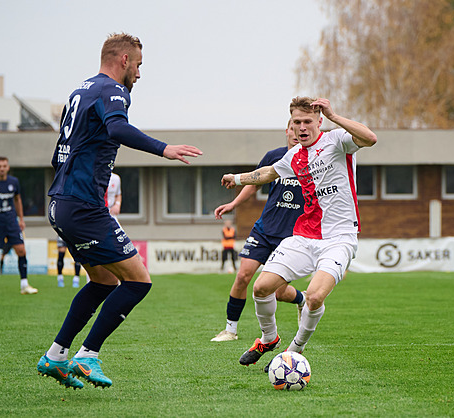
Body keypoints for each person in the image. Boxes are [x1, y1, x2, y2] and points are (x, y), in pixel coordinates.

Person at [37, 33, 202, 390]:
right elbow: (117, 127)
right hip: (83, 207)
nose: (139, 74)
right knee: (139, 280)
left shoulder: (79, 91)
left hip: (61, 203)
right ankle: (87, 355)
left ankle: (55, 355)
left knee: (104, 281)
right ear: (124, 60)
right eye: (139, 65)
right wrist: (164, 148)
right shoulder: (114, 91)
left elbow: (59, 154)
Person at [220, 96, 377, 367]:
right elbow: (269, 173)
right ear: (290, 126)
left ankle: (295, 350)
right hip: (304, 236)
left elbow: (370, 138)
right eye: (296, 123)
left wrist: (335, 116)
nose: (302, 127)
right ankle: (269, 338)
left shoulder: (338, 140)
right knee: (261, 287)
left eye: (307, 121)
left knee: (314, 297)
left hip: (339, 239)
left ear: (319, 122)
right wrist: (237, 179)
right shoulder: (294, 156)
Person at [211, 121, 306, 342]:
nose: (296, 133)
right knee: (243, 275)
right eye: (292, 128)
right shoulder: (274, 156)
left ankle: (302, 300)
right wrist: (233, 204)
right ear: (287, 131)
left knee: (279, 292)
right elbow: (254, 183)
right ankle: (230, 330)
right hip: (265, 229)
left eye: (300, 128)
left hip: (291, 236)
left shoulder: (313, 161)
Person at [0, 156, 38, 296]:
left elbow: (18, 199)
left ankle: (24, 285)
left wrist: (21, 219)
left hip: (12, 222)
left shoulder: (14, 182)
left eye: (4, 166)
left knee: (21, 250)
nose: (2, 168)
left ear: (8, 167)